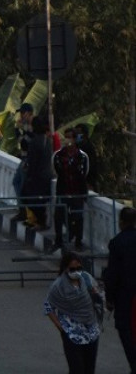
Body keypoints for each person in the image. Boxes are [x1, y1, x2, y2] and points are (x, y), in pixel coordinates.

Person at [45, 251, 103, 374]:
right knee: (77, 368)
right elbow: (48, 307)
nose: (76, 271)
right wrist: (60, 327)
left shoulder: (86, 278)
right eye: (72, 269)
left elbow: (99, 294)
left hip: (91, 330)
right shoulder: (58, 286)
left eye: (79, 268)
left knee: (89, 368)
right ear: (66, 268)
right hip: (71, 333)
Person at [104, 206, 136, 372]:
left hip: (125, 296)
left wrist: (109, 298)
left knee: (125, 329)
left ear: (121, 222)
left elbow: (112, 273)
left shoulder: (117, 243)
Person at [52, 129, 91, 252]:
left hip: (77, 192)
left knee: (78, 216)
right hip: (63, 191)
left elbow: (84, 172)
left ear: (74, 139)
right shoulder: (58, 155)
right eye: (66, 137)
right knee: (59, 216)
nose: (67, 140)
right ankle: (59, 240)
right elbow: (56, 171)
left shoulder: (82, 156)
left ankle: (78, 241)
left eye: (70, 137)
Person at [24, 115, 55, 231]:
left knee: (27, 197)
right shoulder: (47, 140)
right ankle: (41, 220)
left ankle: (41, 221)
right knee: (40, 199)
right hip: (47, 174)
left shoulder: (35, 141)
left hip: (37, 175)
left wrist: (29, 175)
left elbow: (32, 161)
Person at [13, 103, 35, 222]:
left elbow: (25, 143)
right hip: (24, 158)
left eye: (23, 113)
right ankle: (22, 210)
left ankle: (25, 212)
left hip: (29, 160)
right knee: (17, 182)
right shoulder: (26, 126)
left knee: (22, 186)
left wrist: (18, 130)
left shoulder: (32, 126)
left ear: (29, 113)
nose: (21, 116)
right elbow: (21, 141)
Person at [74, 124, 99, 192]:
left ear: (84, 134)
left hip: (88, 181)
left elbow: (92, 166)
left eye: (78, 133)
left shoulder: (89, 147)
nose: (76, 136)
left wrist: (90, 182)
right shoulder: (76, 147)